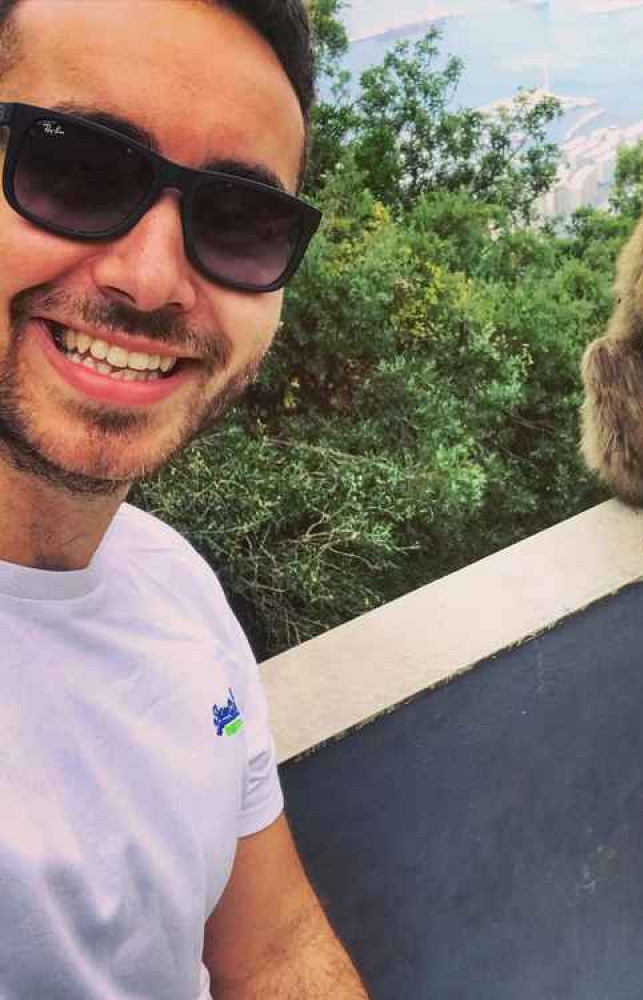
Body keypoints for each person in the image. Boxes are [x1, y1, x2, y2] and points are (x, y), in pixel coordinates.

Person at [0, 1, 369, 996]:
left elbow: (273, 946)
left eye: (238, 221)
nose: (153, 279)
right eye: (71, 168)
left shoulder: (170, 580)